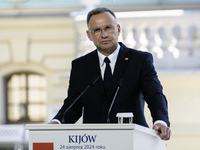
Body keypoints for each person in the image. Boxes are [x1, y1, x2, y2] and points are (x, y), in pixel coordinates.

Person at [49, 7, 171, 140]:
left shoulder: (139, 60)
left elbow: (154, 95)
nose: (104, 35)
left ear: (118, 29)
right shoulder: (80, 66)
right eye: (96, 30)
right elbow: (73, 105)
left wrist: (160, 121)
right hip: (93, 142)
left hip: (132, 140)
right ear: (89, 35)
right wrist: (57, 122)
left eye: (108, 28)